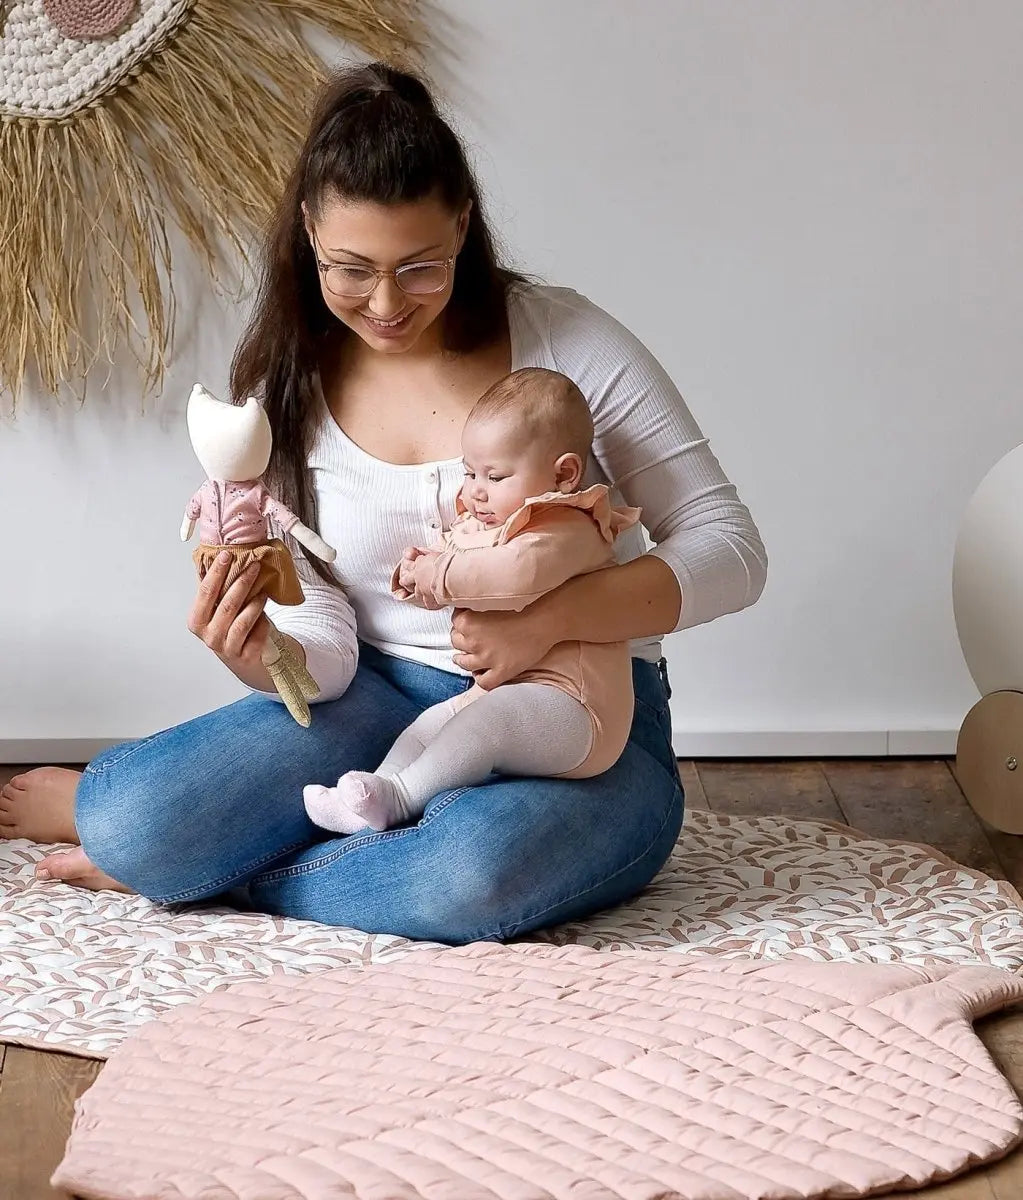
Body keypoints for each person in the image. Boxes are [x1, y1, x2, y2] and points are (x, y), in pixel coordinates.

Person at [0, 62, 767, 944]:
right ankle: (168, 844)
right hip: (377, 694)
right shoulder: (286, 381)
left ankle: (227, 876)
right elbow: (326, 625)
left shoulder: (565, 339)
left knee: (468, 874)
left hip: (584, 713)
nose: (388, 303)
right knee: (138, 820)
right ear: (307, 235)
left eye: (421, 267)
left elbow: (730, 547)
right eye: (352, 269)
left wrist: (545, 621)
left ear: (465, 228)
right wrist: (267, 655)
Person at [303, 367, 641, 834]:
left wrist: (439, 574)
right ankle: (371, 794)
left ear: (564, 474)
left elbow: (514, 577)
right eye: (469, 472)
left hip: (577, 711)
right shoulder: (486, 524)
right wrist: (415, 575)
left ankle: (402, 798)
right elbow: (459, 577)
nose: (476, 489)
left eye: (496, 475)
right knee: (430, 724)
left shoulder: (569, 527)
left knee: (485, 724)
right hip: (499, 691)